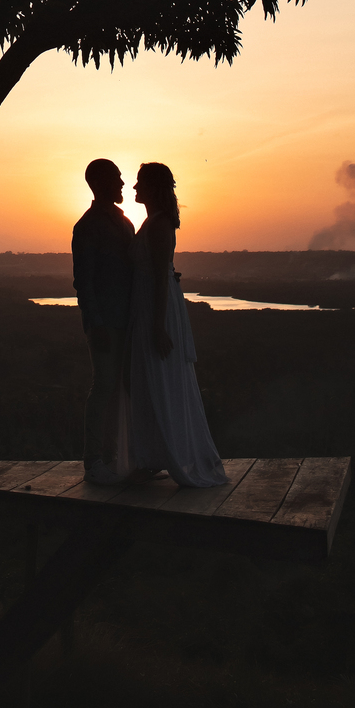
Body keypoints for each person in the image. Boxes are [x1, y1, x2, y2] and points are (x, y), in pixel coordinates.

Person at [117, 161, 227, 489]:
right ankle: (152, 457)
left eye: (140, 182)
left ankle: (160, 457)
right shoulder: (152, 222)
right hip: (146, 307)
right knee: (144, 381)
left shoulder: (160, 225)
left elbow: (161, 279)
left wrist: (157, 325)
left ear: (153, 187)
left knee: (157, 381)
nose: (135, 188)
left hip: (157, 309)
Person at [71, 157, 135, 485]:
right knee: (104, 386)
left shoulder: (125, 223)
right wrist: (95, 324)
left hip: (128, 322)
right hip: (105, 322)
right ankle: (94, 462)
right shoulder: (87, 227)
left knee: (121, 389)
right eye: (116, 178)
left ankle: (114, 458)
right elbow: (84, 282)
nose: (122, 183)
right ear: (99, 183)